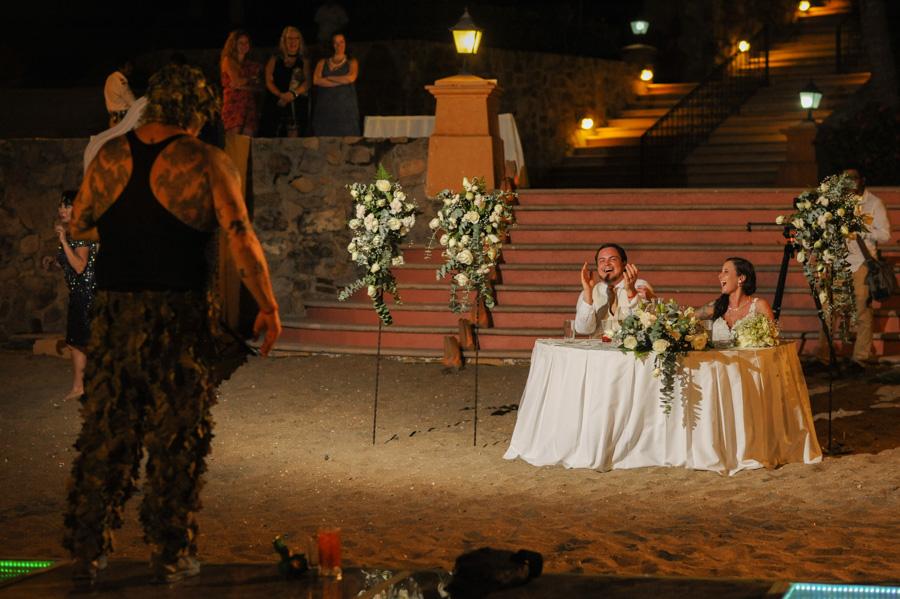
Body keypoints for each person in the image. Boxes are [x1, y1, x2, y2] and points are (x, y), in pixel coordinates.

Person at [63, 65, 281, 585]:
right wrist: (268, 308)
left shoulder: (110, 156)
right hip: (178, 319)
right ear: (196, 111)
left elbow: (81, 225)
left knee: (106, 434)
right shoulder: (206, 161)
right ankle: (169, 552)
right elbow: (240, 236)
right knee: (177, 438)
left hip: (114, 316)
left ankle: (88, 556)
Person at [807, 167, 893, 377]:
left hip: (861, 263)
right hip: (838, 263)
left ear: (862, 180)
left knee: (862, 313)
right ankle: (824, 357)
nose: (848, 182)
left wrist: (860, 226)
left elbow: (886, 235)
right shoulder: (836, 202)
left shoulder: (874, 203)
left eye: (852, 178)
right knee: (828, 310)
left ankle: (860, 359)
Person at [41, 190, 97, 400]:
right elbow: (70, 262)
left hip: (88, 295)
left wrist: (63, 240)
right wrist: (54, 261)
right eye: (60, 206)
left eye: (67, 205)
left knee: (88, 342)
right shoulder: (74, 232)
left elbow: (81, 266)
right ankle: (78, 388)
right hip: (78, 294)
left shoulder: (81, 231)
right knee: (75, 342)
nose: (61, 210)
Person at [574, 243, 655, 338]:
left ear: (624, 264)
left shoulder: (639, 285)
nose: (606, 263)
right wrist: (588, 292)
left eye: (613, 259)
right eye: (601, 261)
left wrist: (631, 291)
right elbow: (583, 330)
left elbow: (643, 324)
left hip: (628, 350)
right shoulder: (589, 292)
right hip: (597, 350)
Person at [695, 257, 775, 342]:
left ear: (741, 278)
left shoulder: (759, 306)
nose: (719, 276)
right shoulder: (716, 306)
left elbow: (772, 341)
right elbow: (686, 321)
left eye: (726, 271)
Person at [259, 26, 312, 137]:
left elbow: (308, 82)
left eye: (296, 38)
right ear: (284, 41)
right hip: (277, 101)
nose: (293, 41)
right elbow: (268, 81)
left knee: (294, 135)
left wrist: (293, 94)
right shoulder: (275, 59)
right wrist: (281, 95)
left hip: (296, 103)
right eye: (290, 38)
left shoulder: (304, 60)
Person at [311, 32, 360, 137]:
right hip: (325, 109)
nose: (339, 46)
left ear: (346, 43)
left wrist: (329, 78)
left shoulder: (351, 61)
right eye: (335, 43)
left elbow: (350, 78)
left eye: (341, 42)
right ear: (332, 45)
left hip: (345, 110)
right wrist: (340, 81)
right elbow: (316, 80)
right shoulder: (322, 62)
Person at [221, 30, 262, 136]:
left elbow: (260, 87)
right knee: (233, 141)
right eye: (240, 43)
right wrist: (251, 79)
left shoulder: (250, 64)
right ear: (234, 45)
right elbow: (236, 81)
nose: (244, 45)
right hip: (234, 103)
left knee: (246, 142)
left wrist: (242, 85)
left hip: (248, 103)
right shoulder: (229, 60)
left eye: (246, 42)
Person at [104, 59, 136, 127]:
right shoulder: (120, 81)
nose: (131, 68)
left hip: (115, 119)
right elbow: (132, 102)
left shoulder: (110, 78)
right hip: (123, 120)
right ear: (121, 68)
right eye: (128, 66)